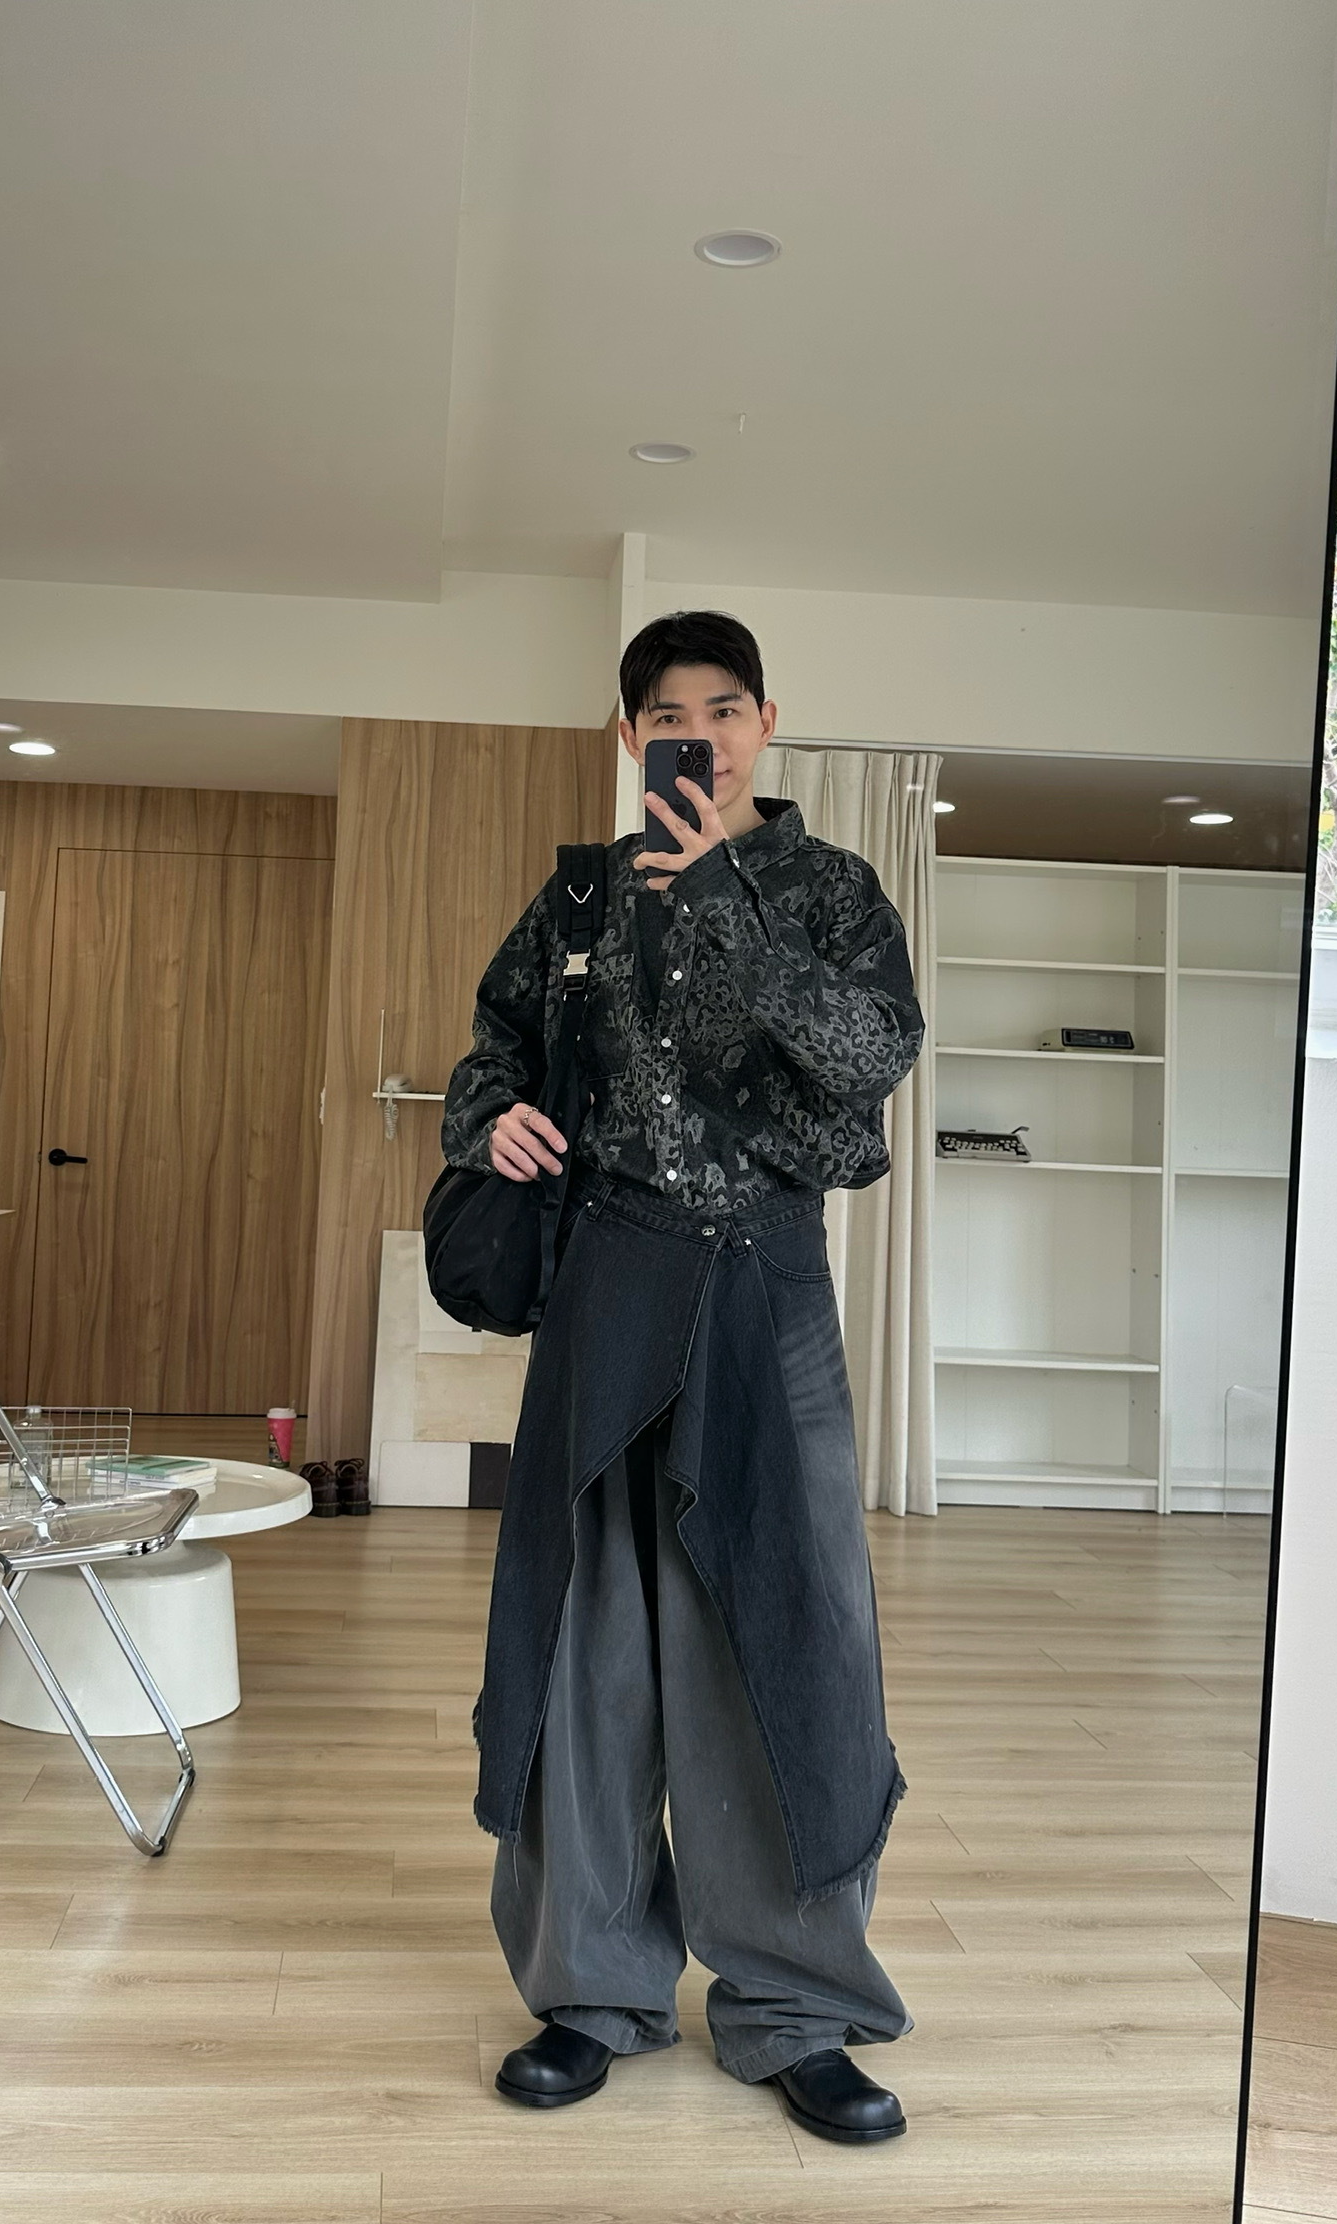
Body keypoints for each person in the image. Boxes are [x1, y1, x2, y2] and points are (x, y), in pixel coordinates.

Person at [440, 609, 924, 2145]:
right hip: (608, 1279)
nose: (697, 734)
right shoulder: (581, 897)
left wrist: (718, 885)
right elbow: (493, 1045)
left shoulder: (832, 891)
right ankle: (590, 1990)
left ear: (766, 725)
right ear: (629, 732)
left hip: (768, 1282)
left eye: (724, 708)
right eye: (667, 712)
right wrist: (490, 1117)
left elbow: (867, 1061)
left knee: (784, 1631)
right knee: (585, 1637)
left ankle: (797, 2007)